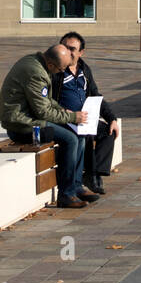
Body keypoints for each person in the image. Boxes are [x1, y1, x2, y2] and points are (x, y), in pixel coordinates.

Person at [0, 44, 92, 209]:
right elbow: (43, 112)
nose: (61, 72)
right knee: (70, 139)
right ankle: (66, 195)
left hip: (30, 118)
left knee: (79, 135)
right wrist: (72, 117)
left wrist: (62, 110)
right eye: (61, 69)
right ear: (50, 65)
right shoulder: (36, 73)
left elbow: (46, 101)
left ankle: (76, 185)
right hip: (21, 125)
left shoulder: (37, 63)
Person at [53, 32, 120, 195]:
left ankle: (93, 174)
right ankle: (89, 177)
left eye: (72, 49)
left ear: (81, 52)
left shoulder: (84, 69)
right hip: (65, 119)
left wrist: (112, 118)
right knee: (85, 134)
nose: (68, 52)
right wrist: (66, 114)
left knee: (107, 131)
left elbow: (95, 94)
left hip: (85, 118)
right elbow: (49, 100)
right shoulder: (56, 70)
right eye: (65, 47)